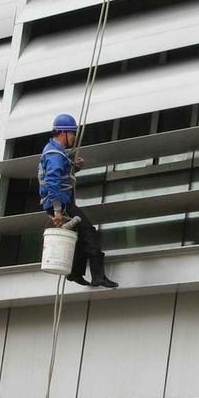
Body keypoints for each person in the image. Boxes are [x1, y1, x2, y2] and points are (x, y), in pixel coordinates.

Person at [38, 114, 118, 288]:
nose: (74, 138)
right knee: (89, 232)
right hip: (61, 204)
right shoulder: (54, 154)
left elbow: (60, 175)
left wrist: (74, 168)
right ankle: (98, 276)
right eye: (73, 134)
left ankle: (75, 272)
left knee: (80, 236)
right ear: (63, 133)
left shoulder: (54, 151)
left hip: (60, 202)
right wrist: (57, 209)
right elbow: (52, 181)